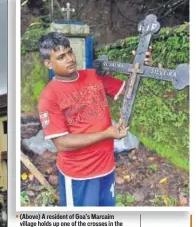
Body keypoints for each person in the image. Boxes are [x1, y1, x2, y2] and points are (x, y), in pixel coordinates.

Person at [38, 32, 152, 207]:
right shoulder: (49, 96)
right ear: (48, 63)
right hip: (79, 174)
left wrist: (140, 67)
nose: (69, 59)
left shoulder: (92, 76)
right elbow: (62, 142)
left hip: (106, 166)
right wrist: (107, 134)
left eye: (70, 52)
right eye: (61, 56)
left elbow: (128, 90)